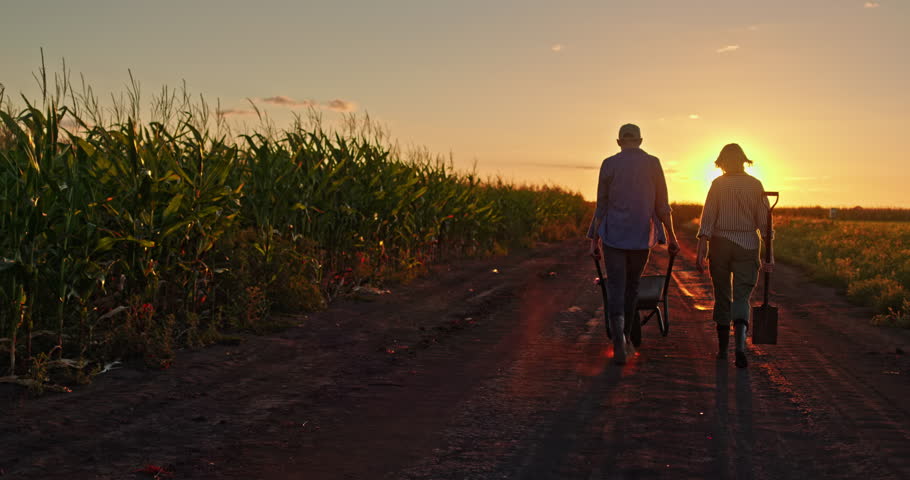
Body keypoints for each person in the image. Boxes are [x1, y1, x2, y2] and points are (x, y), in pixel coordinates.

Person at [588, 123, 680, 365]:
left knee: (616, 287)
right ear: (640, 141)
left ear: (619, 142)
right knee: (632, 287)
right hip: (640, 236)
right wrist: (672, 236)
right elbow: (662, 205)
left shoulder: (609, 164)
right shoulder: (653, 163)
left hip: (612, 235)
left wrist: (594, 239)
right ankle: (626, 336)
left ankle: (618, 334)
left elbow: (601, 205)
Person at [695, 143, 774, 368]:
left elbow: (707, 220)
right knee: (741, 297)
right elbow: (765, 225)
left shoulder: (718, 185)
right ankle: (739, 346)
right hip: (748, 245)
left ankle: (722, 351)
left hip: (720, 245)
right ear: (743, 161)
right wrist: (770, 256)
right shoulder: (755, 185)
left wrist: (701, 251)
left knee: (722, 295)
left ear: (722, 163)